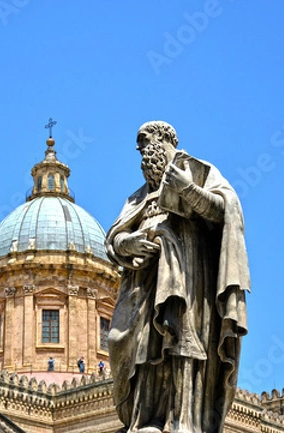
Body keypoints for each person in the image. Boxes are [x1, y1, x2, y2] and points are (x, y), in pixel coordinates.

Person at [106, 121, 249, 433]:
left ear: (163, 139)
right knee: (135, 345)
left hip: (189, 271)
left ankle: (183, 418)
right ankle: (145, 418)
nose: (139, 149)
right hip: (143, 282)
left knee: (182, 339)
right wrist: (128, 242)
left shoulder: (197, 171)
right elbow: (115, 238)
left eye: (143, 141)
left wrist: (187, 189)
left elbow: (226, 211)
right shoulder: (137, 197)